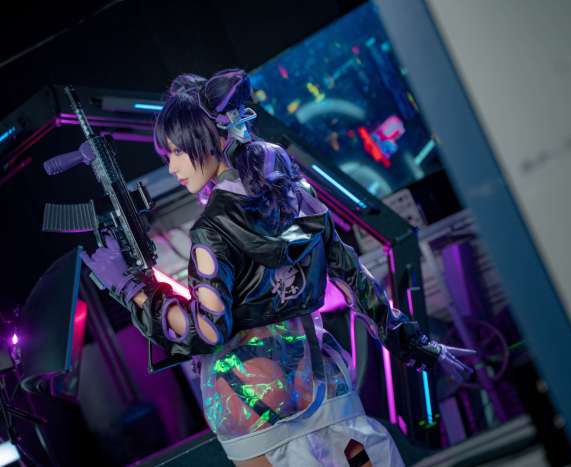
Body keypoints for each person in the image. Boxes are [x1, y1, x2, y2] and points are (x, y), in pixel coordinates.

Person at [80, 68, 475, 467]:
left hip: (249, 400)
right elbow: (356, 279)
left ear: (211, 138)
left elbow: (207, 331)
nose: (172, 167)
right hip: (322, 382)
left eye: (176, 152)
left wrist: (134, 290)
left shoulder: (212, 229)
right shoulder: (298, 197)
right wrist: (416, 343)